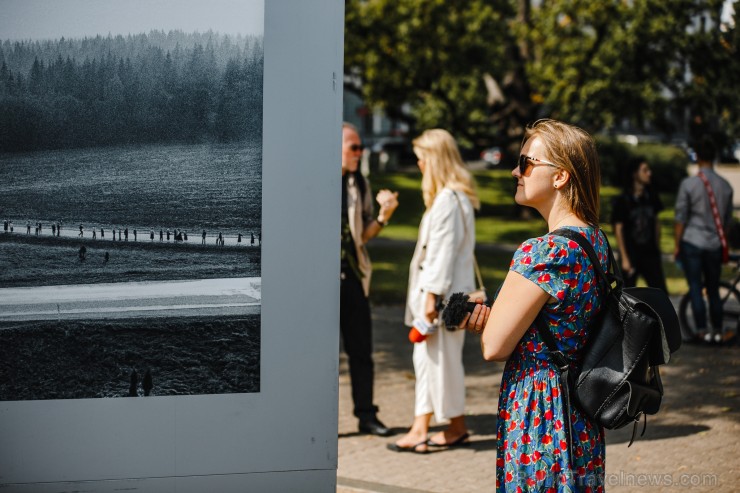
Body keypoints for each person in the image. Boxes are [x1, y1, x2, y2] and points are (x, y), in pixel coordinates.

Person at [462, 119, 606, 490]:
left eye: (526, 163)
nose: (516, 171)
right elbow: (561, 323)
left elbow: (494, 347)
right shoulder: (594, 242)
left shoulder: (542, 252)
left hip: (540, 409)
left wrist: (491, 326)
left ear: (560, 177)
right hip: (581, 411)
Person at [388, 129, 479, 454]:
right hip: (449, 300)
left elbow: (441, 255)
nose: (419, 164)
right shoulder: (457, 198)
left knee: (434, 363)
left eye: (422, 158)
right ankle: (454, 427)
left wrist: (428, 302)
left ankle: (421, 429)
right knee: (442, 363)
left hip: (440, 302)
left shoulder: (447, 202)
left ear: (435, 160)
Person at [340, 122, 399, 437]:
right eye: (353, 147)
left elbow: (362, 234)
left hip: (352, 277)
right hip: (318, 283)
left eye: (360, 147)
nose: (359, 153)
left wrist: (383, 216)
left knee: (362, 350)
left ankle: (366, 414)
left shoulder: (358, 183)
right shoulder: (317, 182)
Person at [675, 135, 734, 344]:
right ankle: (717, 330)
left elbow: (681, 218)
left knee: (695, 288)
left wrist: (677, 244)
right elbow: (726, 221)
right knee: (714, 288)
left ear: (697, 157)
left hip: (692, 241)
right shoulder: (726, 186)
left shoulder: (689, 184)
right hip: (714, 244)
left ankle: (701, 331)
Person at [611, 157, 667, 291]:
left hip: (650, 253)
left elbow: (656, 223)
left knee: (660, 293)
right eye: (645, 170)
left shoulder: (652, 196)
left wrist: (657, 247)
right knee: (625, 295)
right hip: (631, 254)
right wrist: (624, 258)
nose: (649, 173)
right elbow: (618, 229)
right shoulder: (623, 200)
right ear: (635, 174)